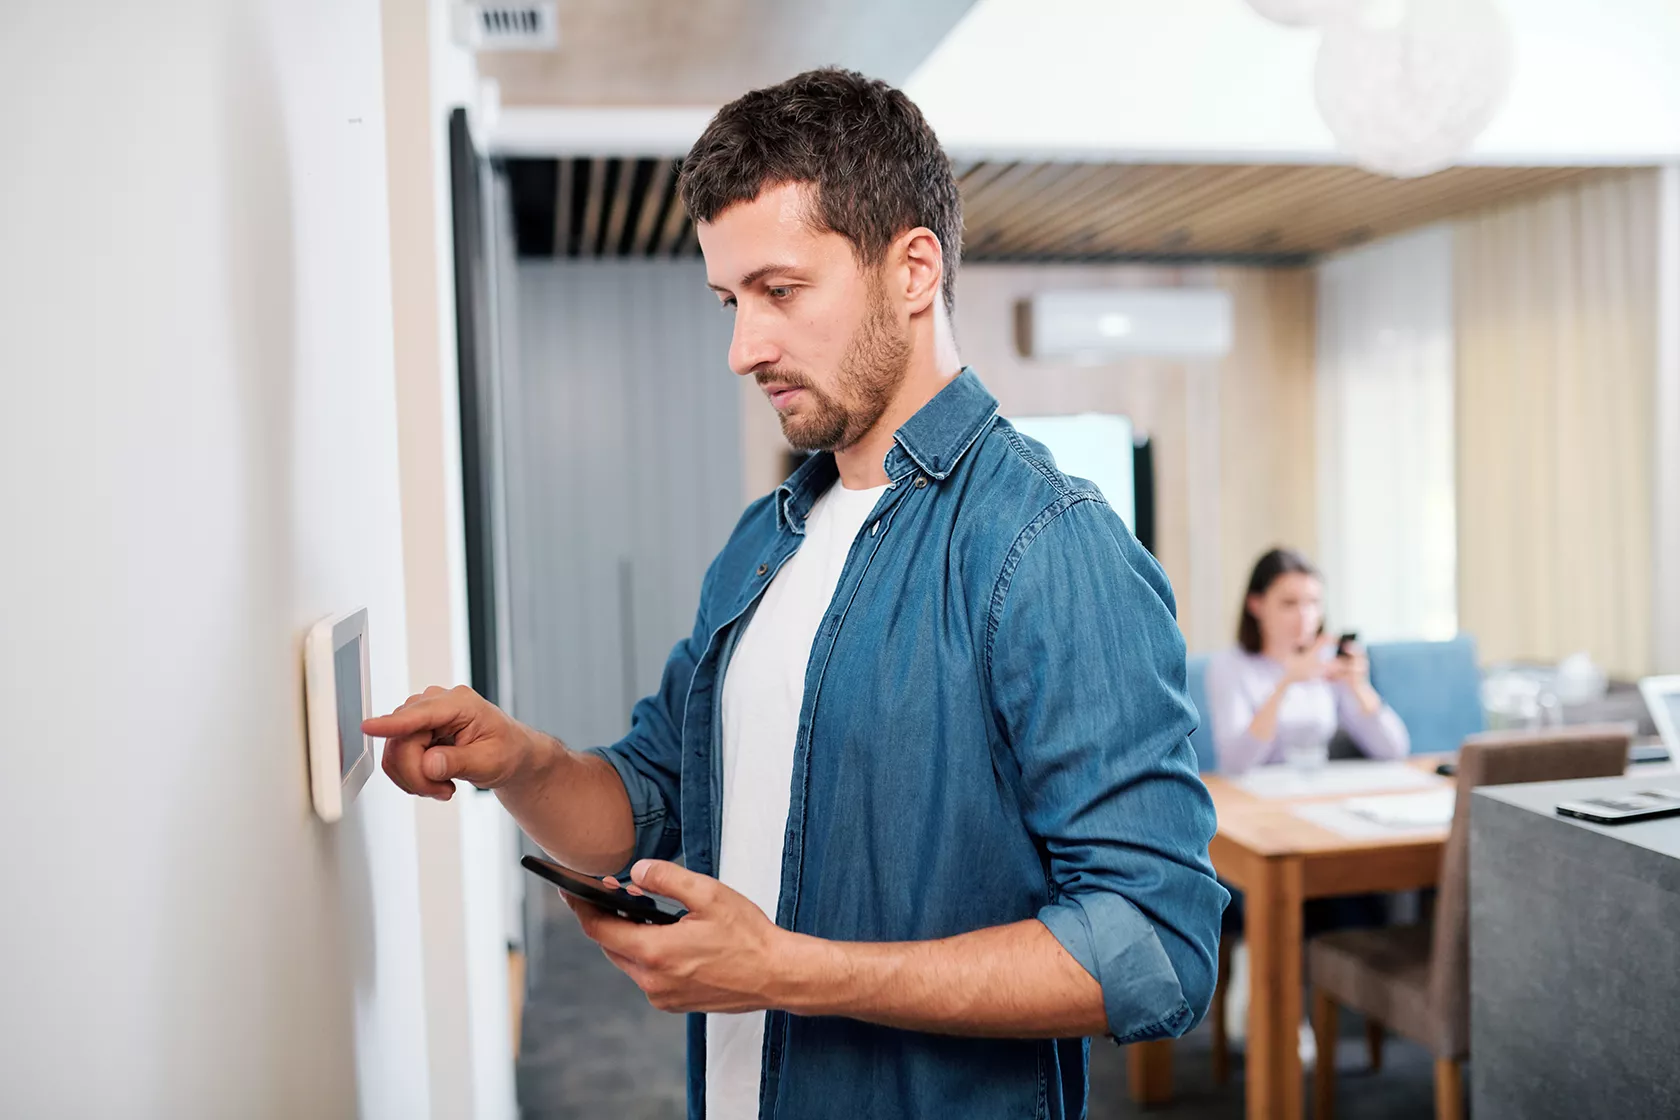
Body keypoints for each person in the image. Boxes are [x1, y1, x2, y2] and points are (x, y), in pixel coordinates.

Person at [366, 68, 1224, 1120]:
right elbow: (656, 803)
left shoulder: (1048, 546)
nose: (743, 348)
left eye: (780, 292)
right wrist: (523, 762)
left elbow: (1158, 947)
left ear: (913, 270)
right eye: (731, 302)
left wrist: (785, 970)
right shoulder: (762, 543)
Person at [1206, 547, 1409, 773]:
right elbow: (1235, 764)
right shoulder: (1230, 666)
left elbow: (1393, 750)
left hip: (1317, 790)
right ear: (1256, 605)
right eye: (1289, 603)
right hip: (1257, 798)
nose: (1305, 616)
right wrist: (1286, 683)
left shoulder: (1327, 662)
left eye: (1313, 602)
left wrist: (1358, 687)